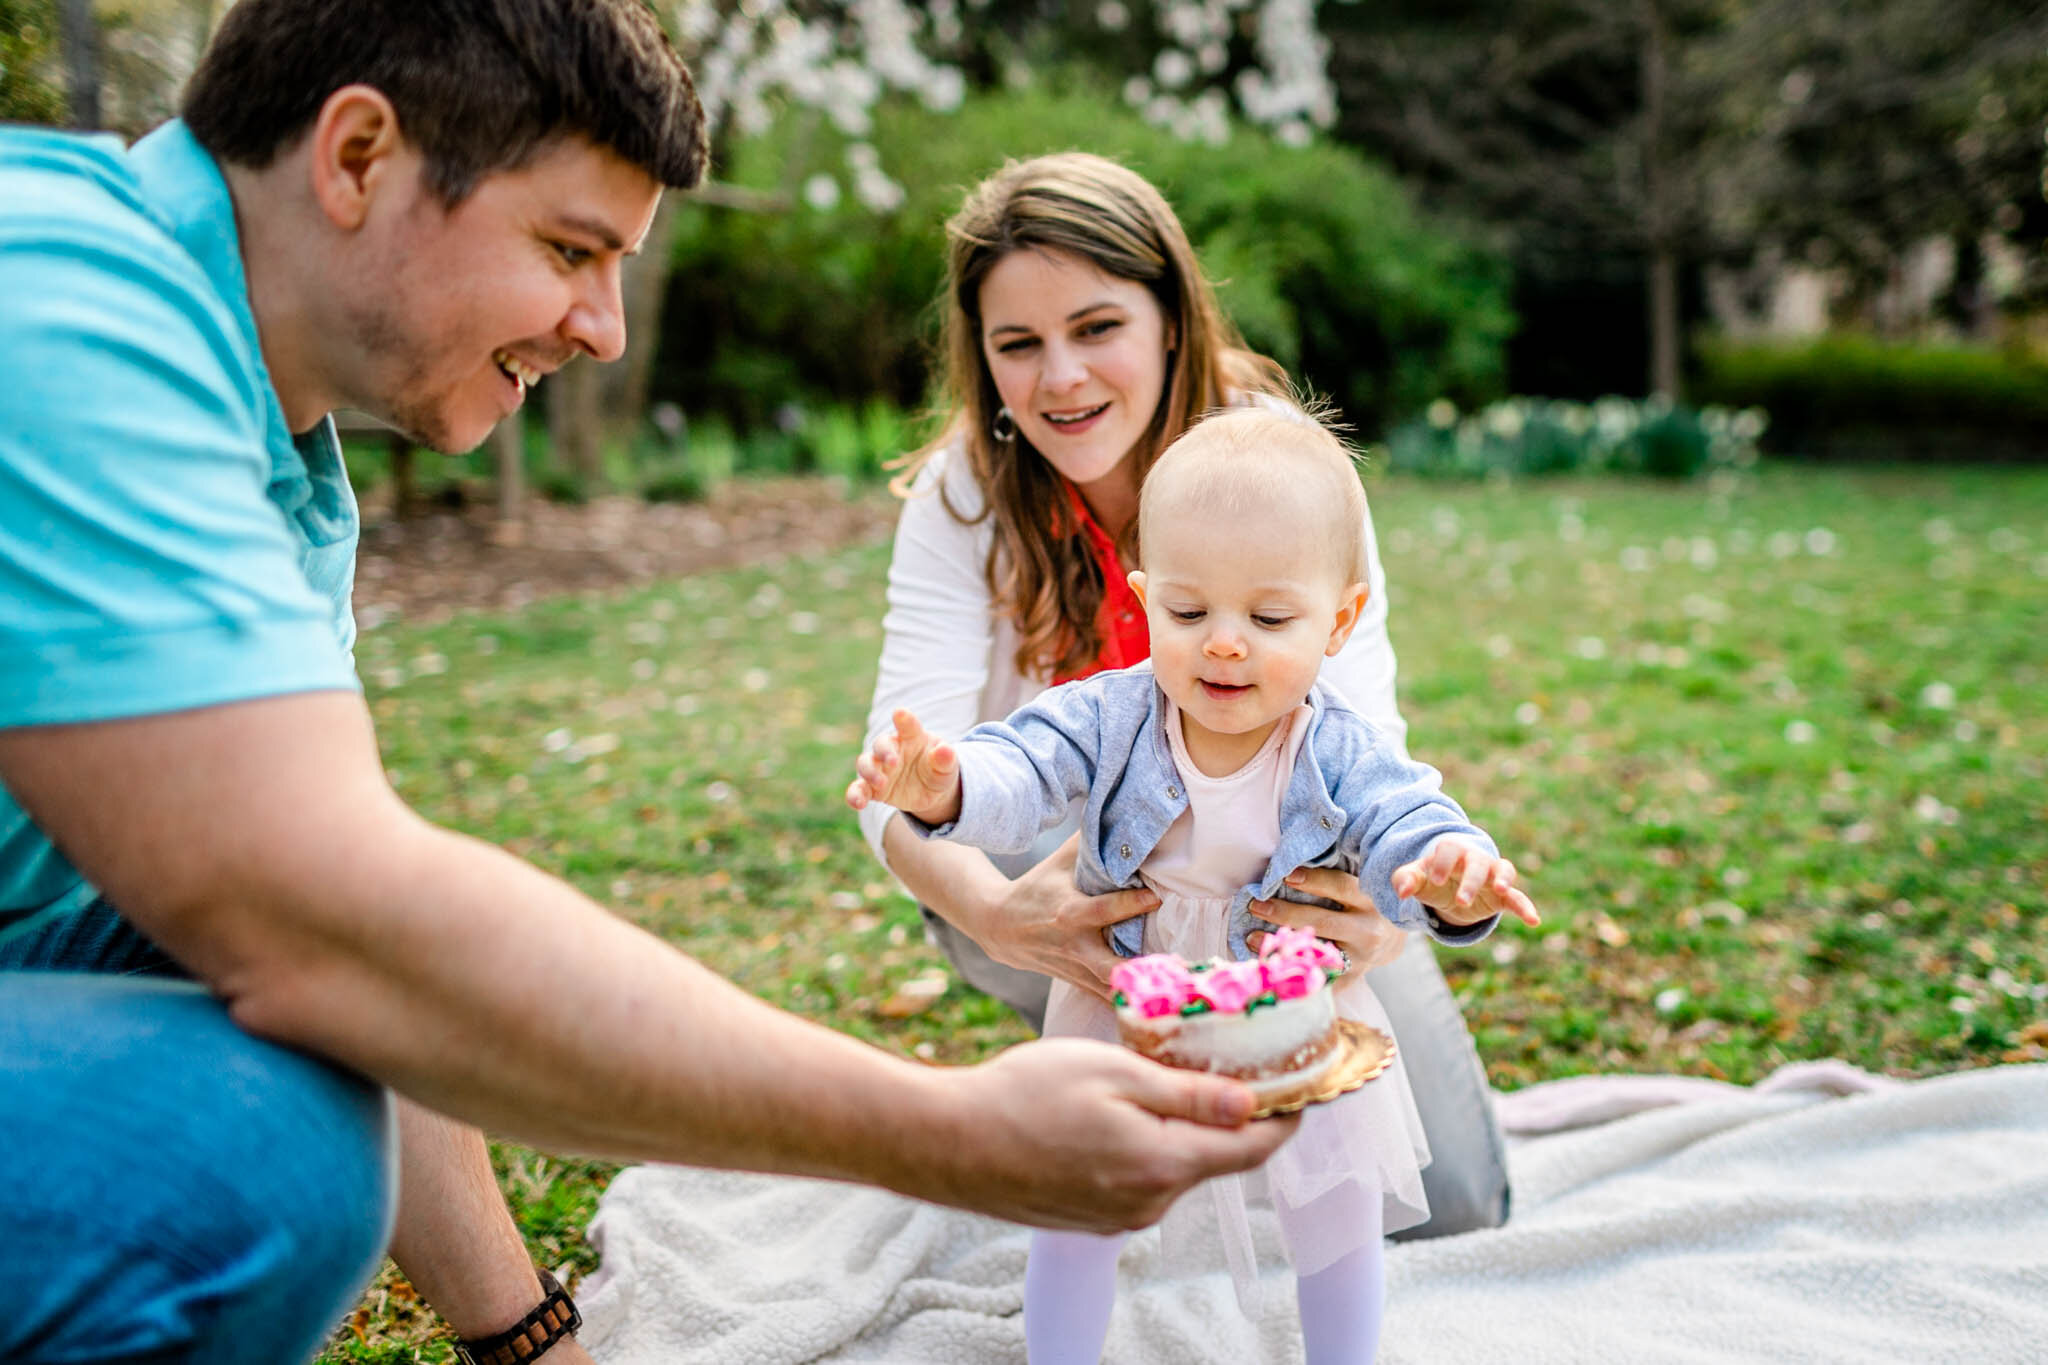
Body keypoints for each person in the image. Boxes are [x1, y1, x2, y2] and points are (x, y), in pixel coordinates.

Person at [0, 5, 1297, 1362]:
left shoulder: (276, 447)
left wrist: (534, 1343)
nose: (607, 330)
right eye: (570, 249)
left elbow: (361, 925)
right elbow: (338, 926)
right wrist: (950, 1134)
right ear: (359, 155)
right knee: (254, 1153)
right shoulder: (64, 307)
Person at [855, 150, 1514, 1240]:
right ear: (982, 359)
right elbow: (895, 771)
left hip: (1278, 878)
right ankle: (1120, 1053)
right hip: (1077, 872)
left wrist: (1380, 920)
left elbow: (1364, 739)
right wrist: (989, 905)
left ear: (1170, 316)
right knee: (978, 826)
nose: (1059, 376)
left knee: (1448, 1209)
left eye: (1096, 326)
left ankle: (1230, 1059)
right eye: (1017, 344)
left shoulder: (1286, 465)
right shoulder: (963, 494)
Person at [851, 407, 1540, 1362]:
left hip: (1294, 1005)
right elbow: (1028, 762)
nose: (1222, 643)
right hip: (1126, 996)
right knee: (1080, 1200)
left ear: (1337, 619)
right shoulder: (1114, 711)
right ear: (1146, 600)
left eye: (1267, 618)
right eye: (1186, 612)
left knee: (1332, 1198)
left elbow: (1406, 823)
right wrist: (950, 782)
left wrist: (1447, 877)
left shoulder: (1333, 744)